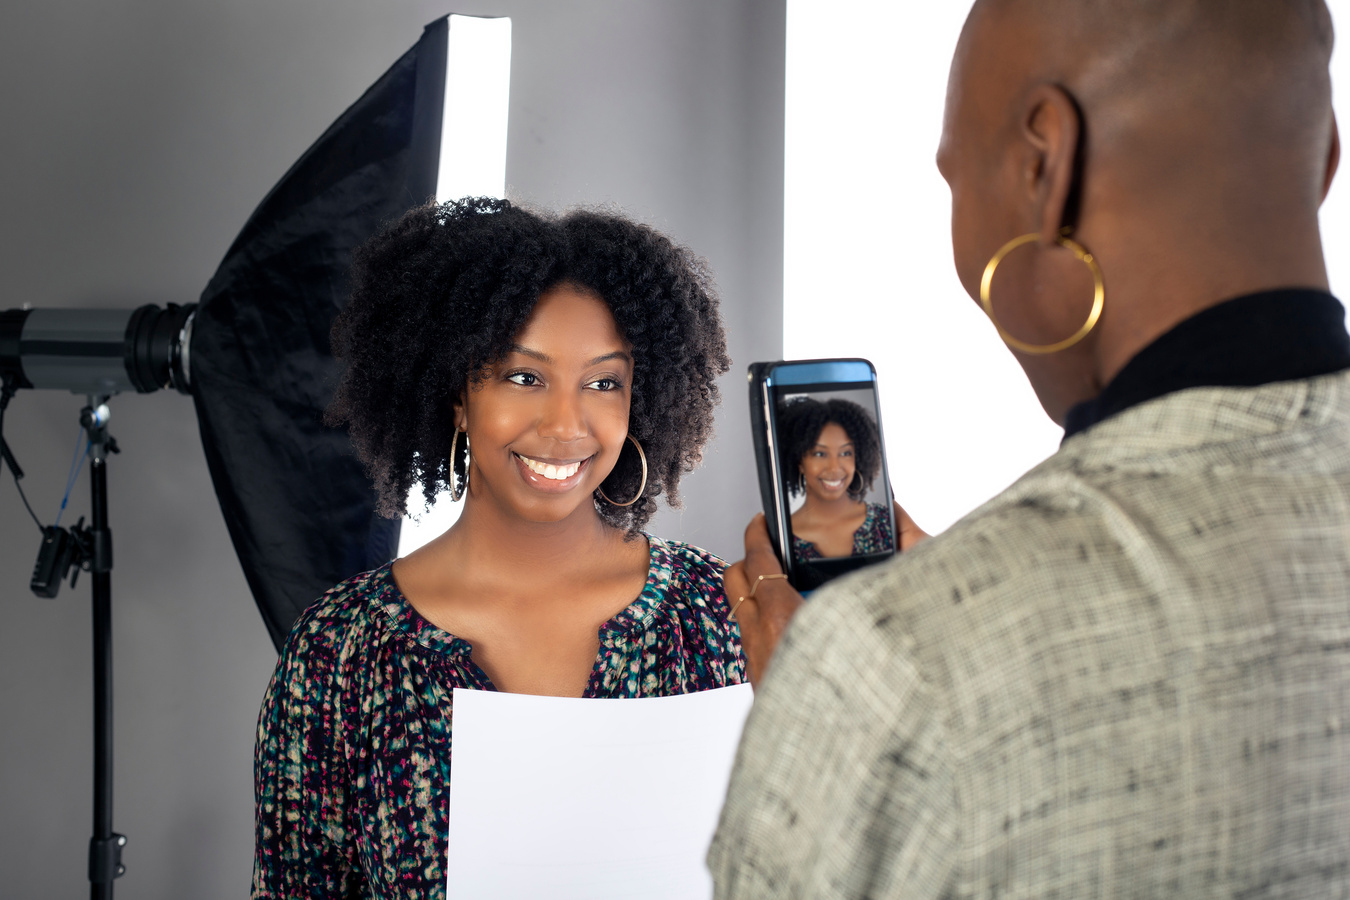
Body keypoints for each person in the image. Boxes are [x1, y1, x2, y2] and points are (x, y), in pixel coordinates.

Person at [711, 0, 1350, 897]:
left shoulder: (893, 669)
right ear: (1323, 156)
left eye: (955, 178)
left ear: (1043, 166)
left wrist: (829, 713)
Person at [251, 198, 743, 898]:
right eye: (523, 376)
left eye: (604, 382)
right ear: (456, 392)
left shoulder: (717, 614)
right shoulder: (342, 653)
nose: (566, 424)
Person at [777, 397, 892, 561]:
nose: (834, 468)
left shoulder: (885, 521)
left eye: (845, 453)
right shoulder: (781, 539)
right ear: (799, 462)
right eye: (820, 454)